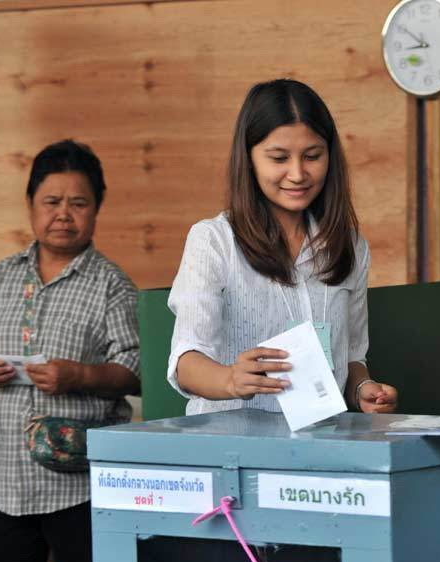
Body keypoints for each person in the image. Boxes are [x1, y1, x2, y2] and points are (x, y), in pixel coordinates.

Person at [0, 140, 141, 562]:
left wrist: (79, 376)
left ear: (97, 209)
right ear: (31, 205)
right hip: (3, 481)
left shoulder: (111, 286)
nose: (63, 214)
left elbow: (137, 370)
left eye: (78, 203)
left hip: (80, 485)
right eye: (51, 202)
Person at [168, 79, 397, 416]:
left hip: (322, 440)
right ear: (249, 159)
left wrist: (363, 389)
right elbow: (186, 361)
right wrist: (230, 379)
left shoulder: (350, 246)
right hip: (231, 445)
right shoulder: (213, 241)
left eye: (313, 156)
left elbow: (351, 356)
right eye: (278, 158)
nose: (297, 173)